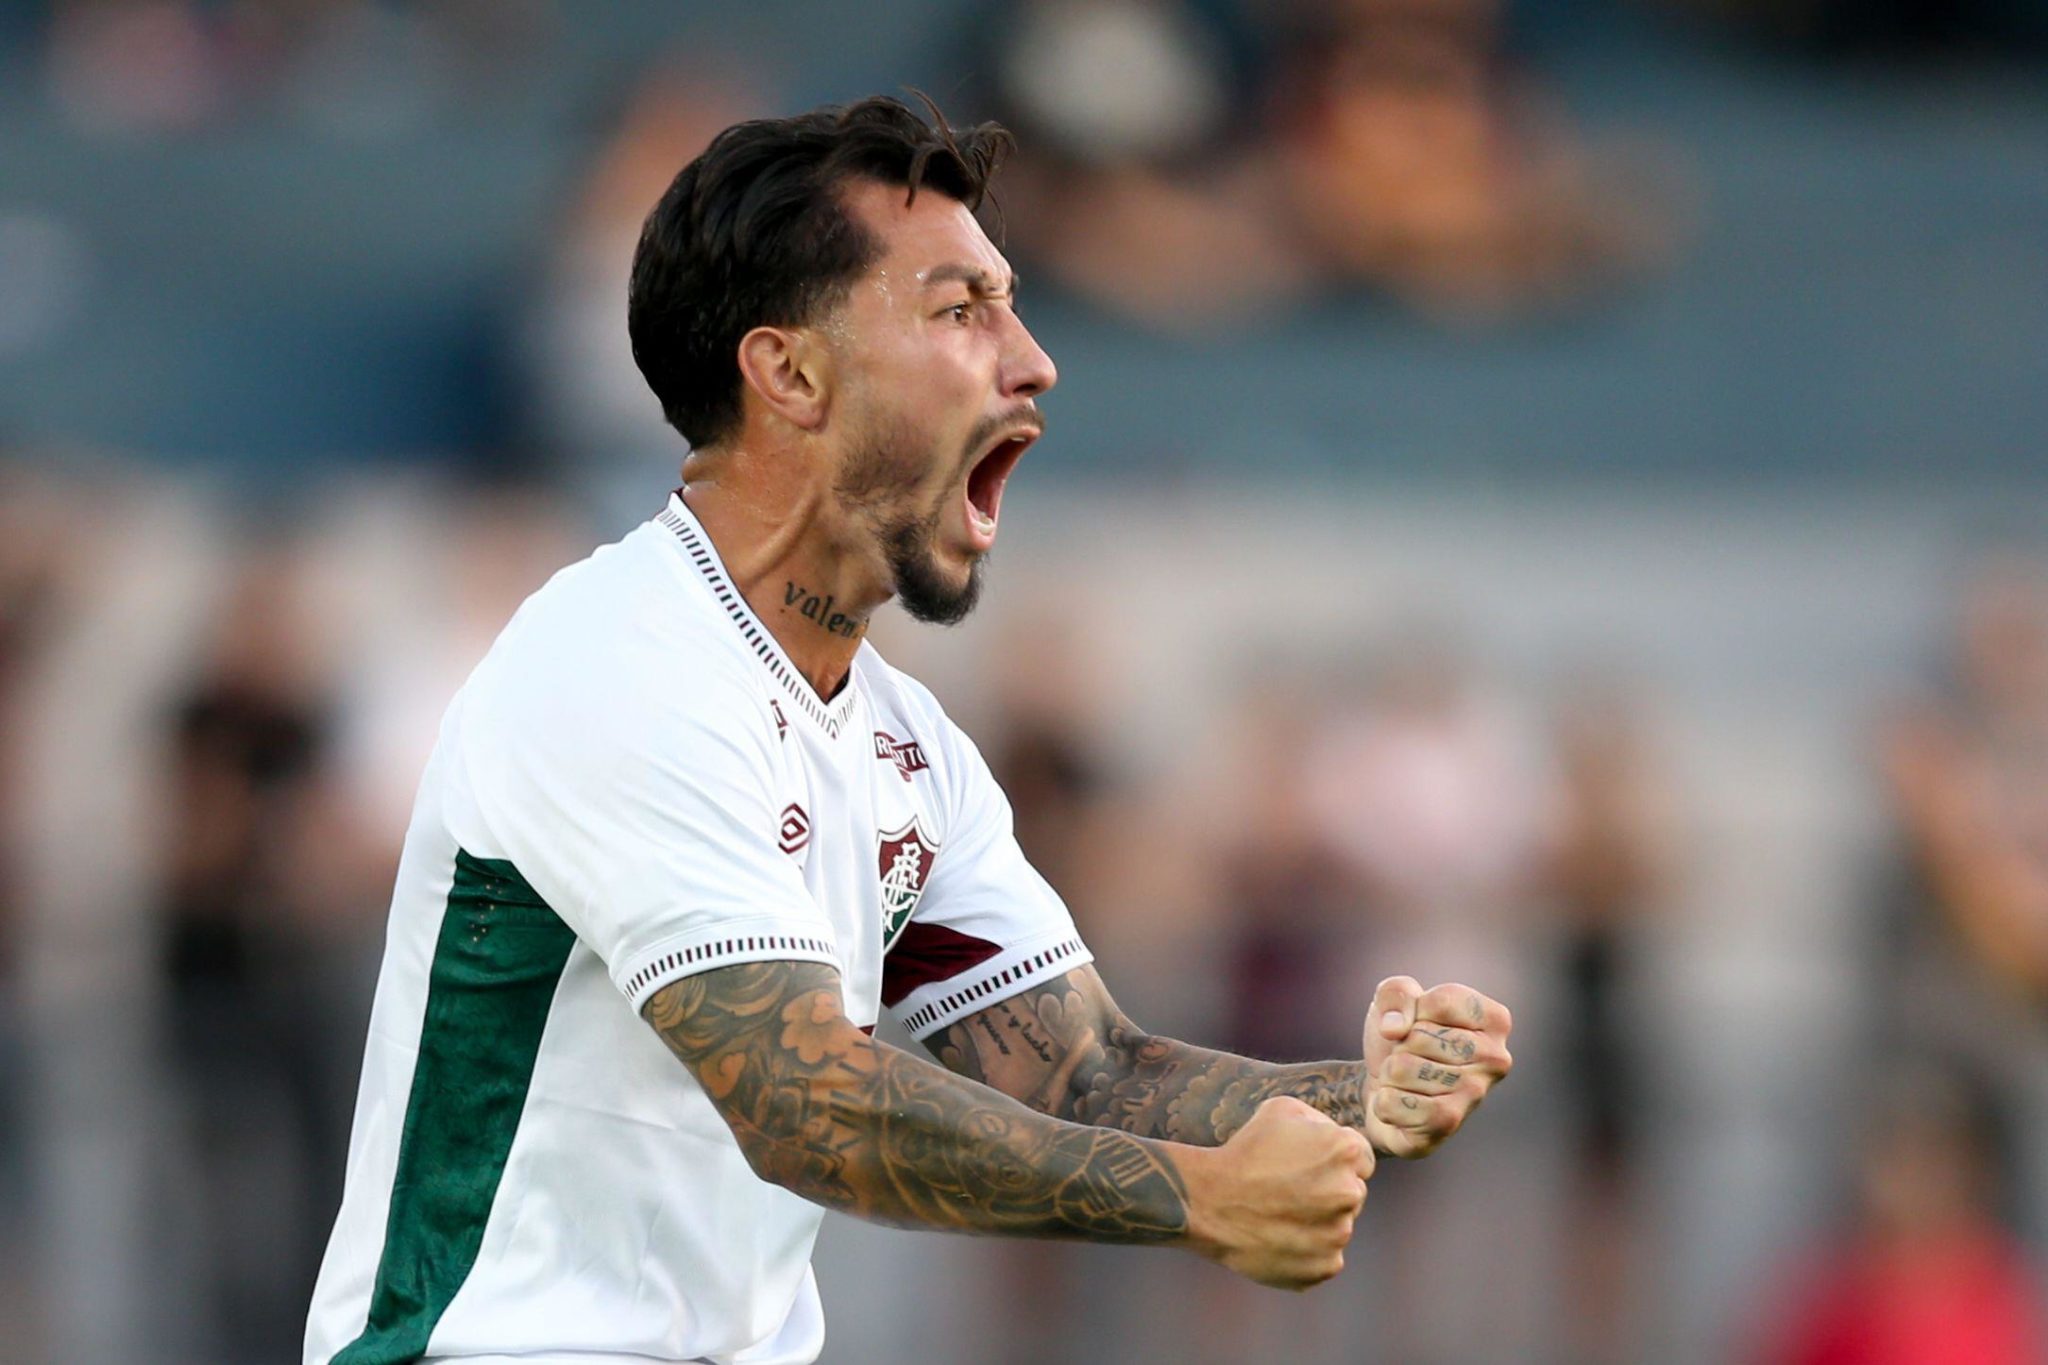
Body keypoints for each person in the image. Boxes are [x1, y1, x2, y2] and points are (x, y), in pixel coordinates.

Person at [304, 96, 1514, 1365]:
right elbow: (804, 1101)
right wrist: (1196, 1202)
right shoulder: (613, 661)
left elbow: (1084, 1069)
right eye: (959, 310)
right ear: (788, 374)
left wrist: (1352, 1096)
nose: (1033, 360)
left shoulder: (901, 743)